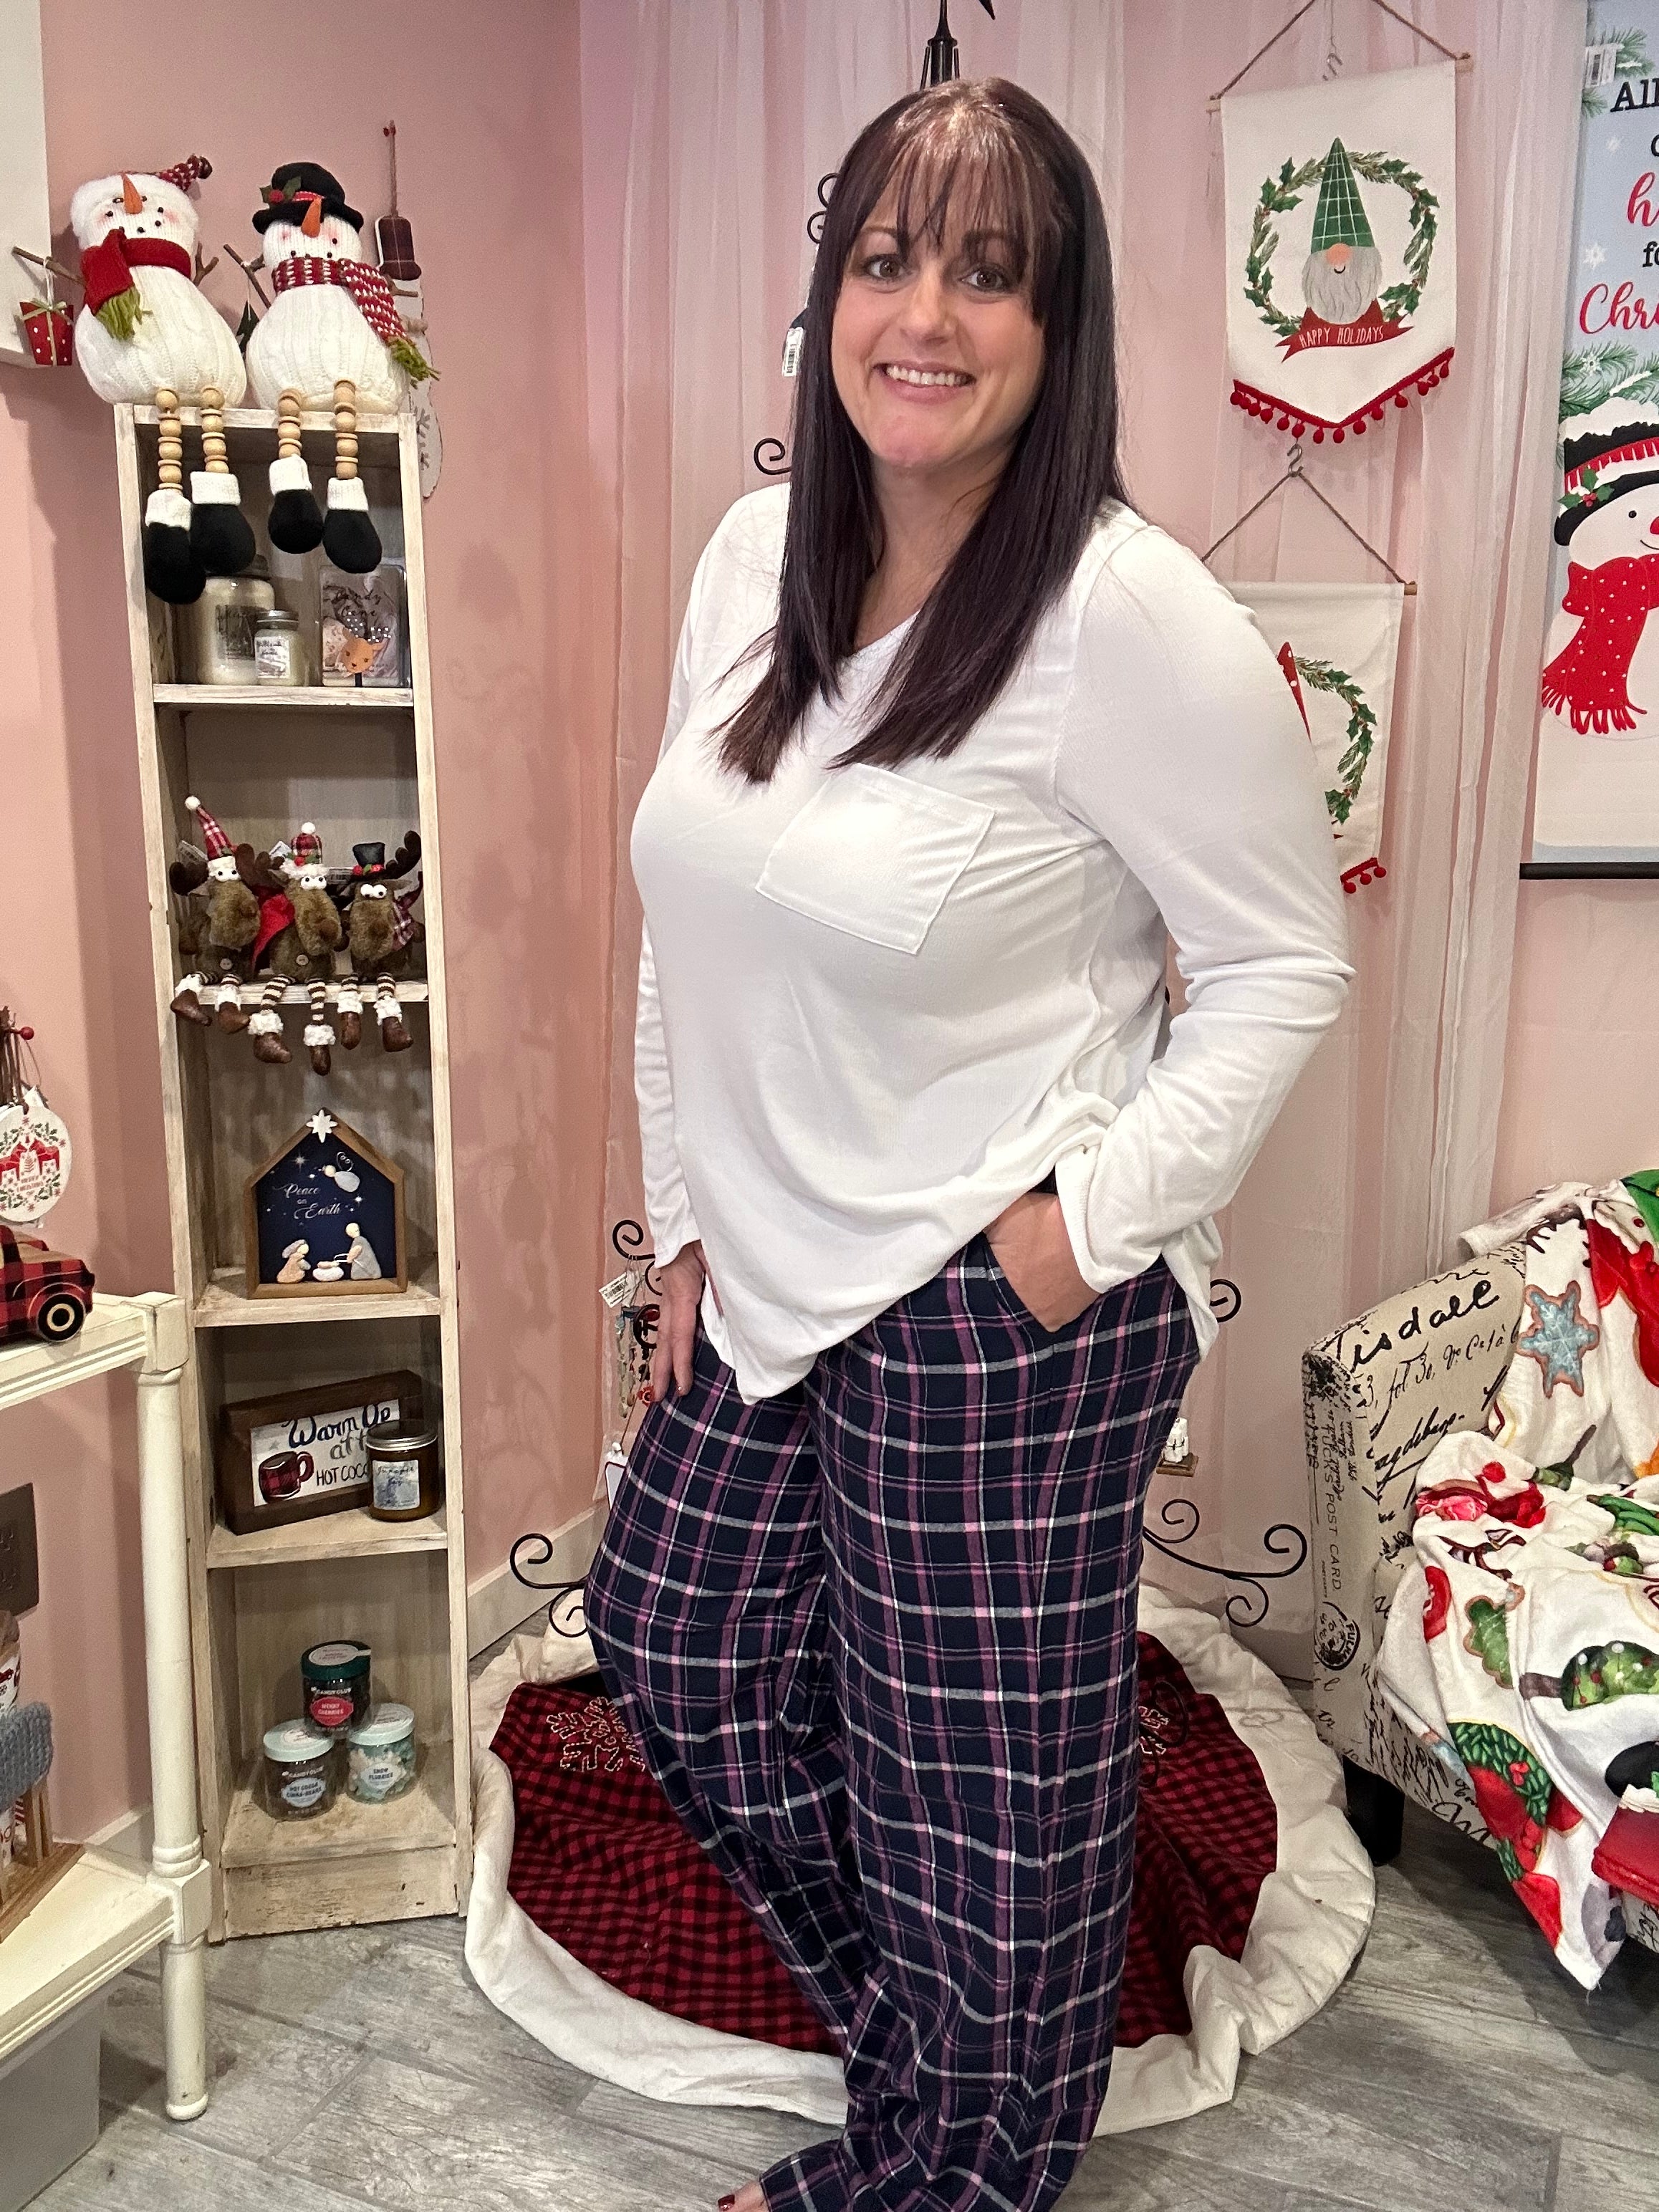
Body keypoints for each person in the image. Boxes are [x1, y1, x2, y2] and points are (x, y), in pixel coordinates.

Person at [585, 75, 1350, 2212]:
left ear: (1058, 324)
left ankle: (953, 2169)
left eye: (987, 272)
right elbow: (684, 912)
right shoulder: (750, 560)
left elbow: (1281, 964)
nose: (923, 315)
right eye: (885, 258)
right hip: (765, 1264)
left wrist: (1076, 1235)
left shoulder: (1127, 617)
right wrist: (681, 1221)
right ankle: (935, 2041)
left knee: (975, 1792)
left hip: (991, 1287)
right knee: (676, 1644)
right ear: (827, 296)